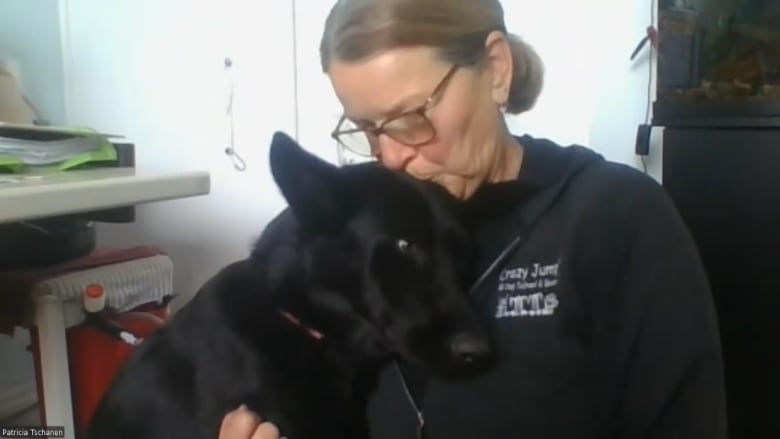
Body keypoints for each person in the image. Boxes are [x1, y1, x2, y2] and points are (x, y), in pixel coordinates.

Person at [219, 0, 728, 437]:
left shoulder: (617, 218)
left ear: (496, 69)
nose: (391, 157)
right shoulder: (357, 223)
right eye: (369, 131)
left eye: (412, 118)